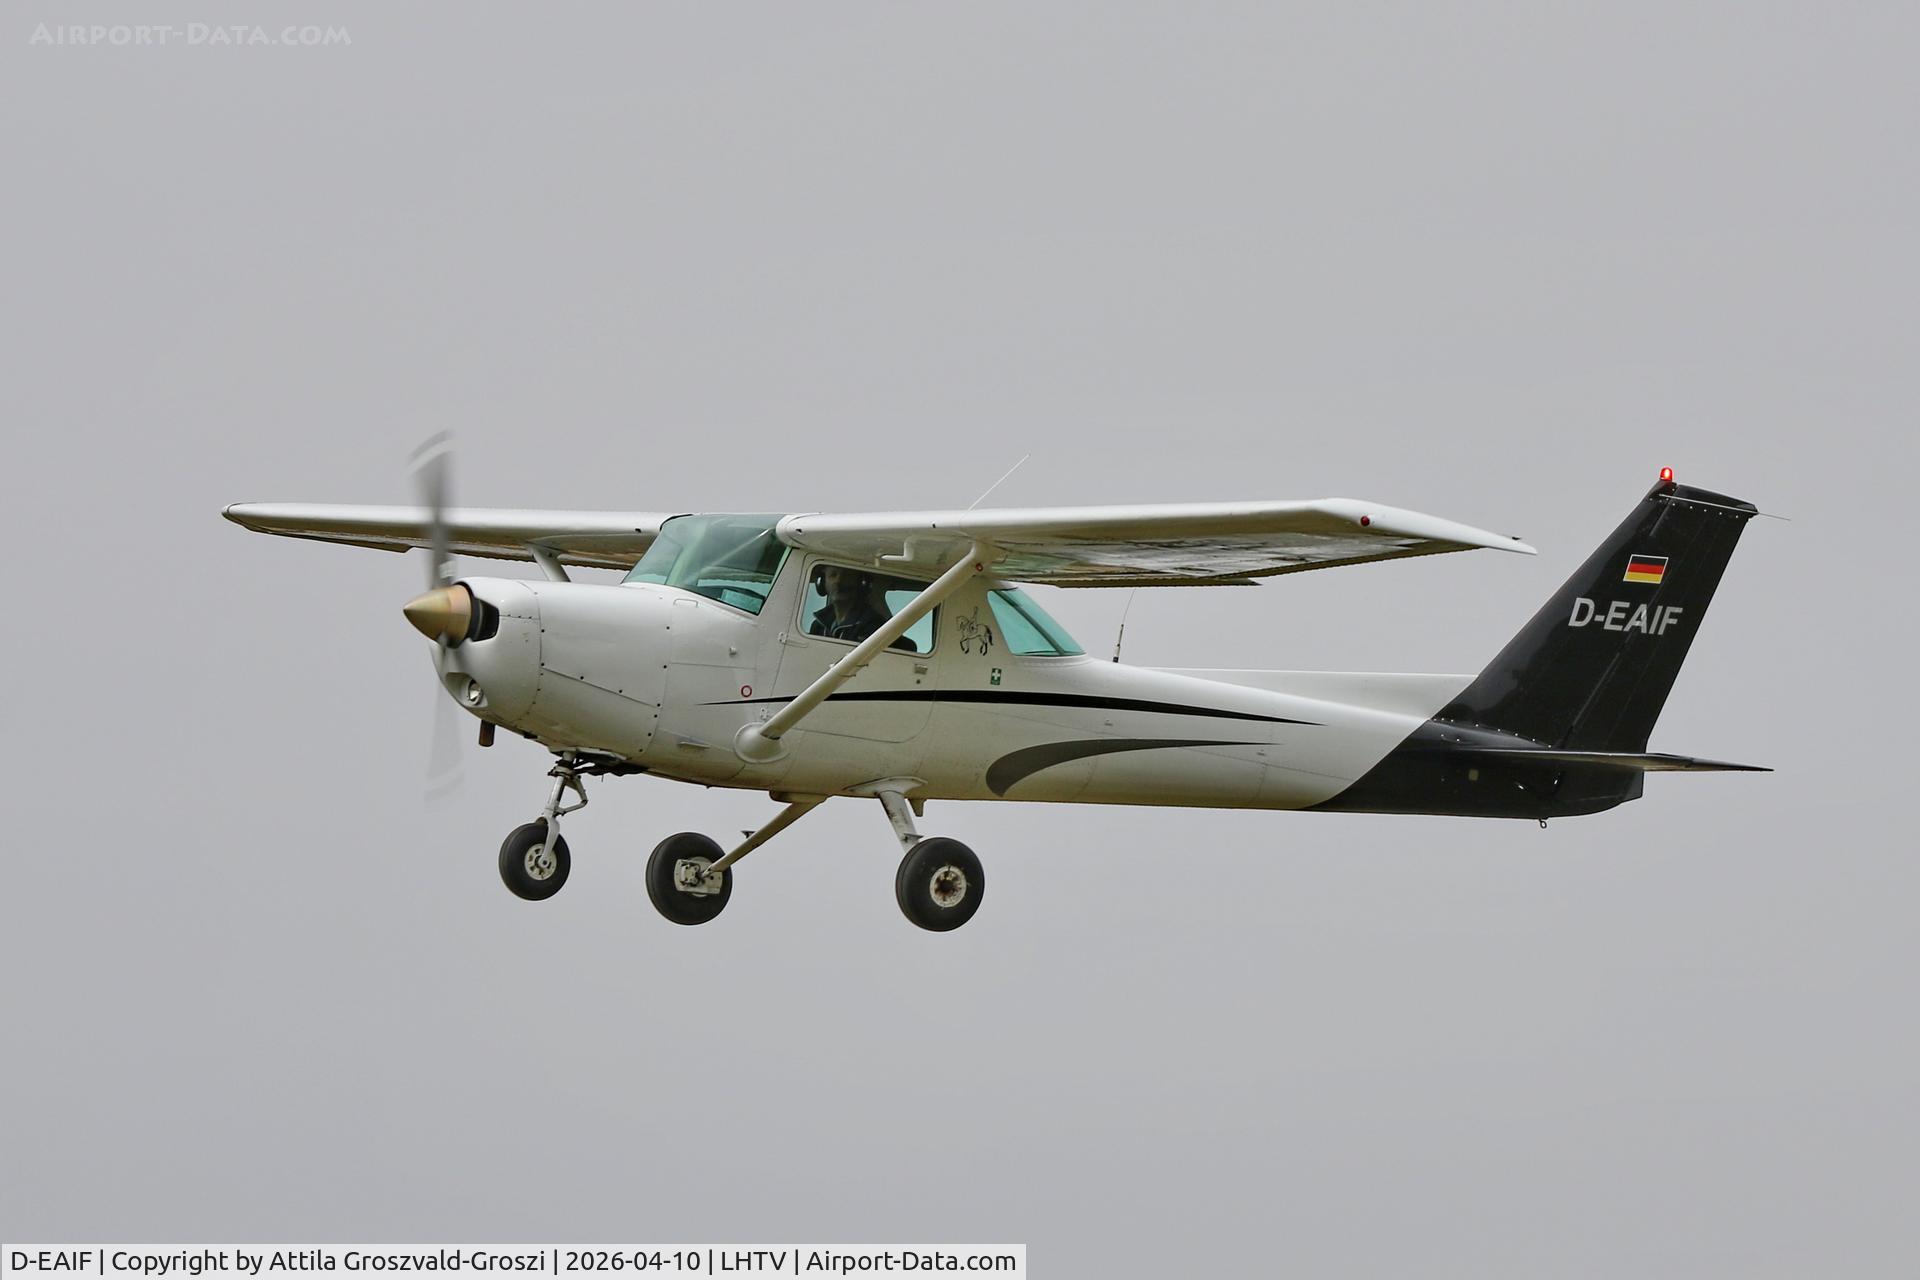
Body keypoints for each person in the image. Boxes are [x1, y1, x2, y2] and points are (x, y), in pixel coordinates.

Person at [809, 565, 916, 651]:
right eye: (833, 575)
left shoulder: (874, 626)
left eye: (847, 576)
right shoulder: (818, 626)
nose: (838, 581)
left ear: (862, 583)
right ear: (822, 582)